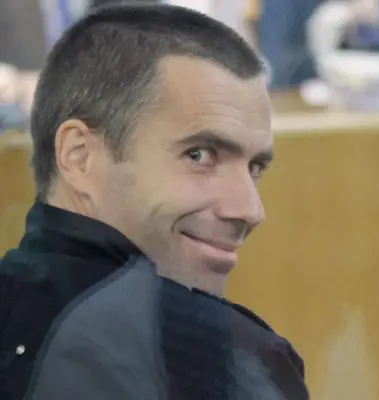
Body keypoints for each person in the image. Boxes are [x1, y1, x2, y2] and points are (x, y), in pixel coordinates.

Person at [0, 4, 309, 399]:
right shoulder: (232, 364)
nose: (250, 211)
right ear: (79, 156)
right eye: (199, 155)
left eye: (255, 168)